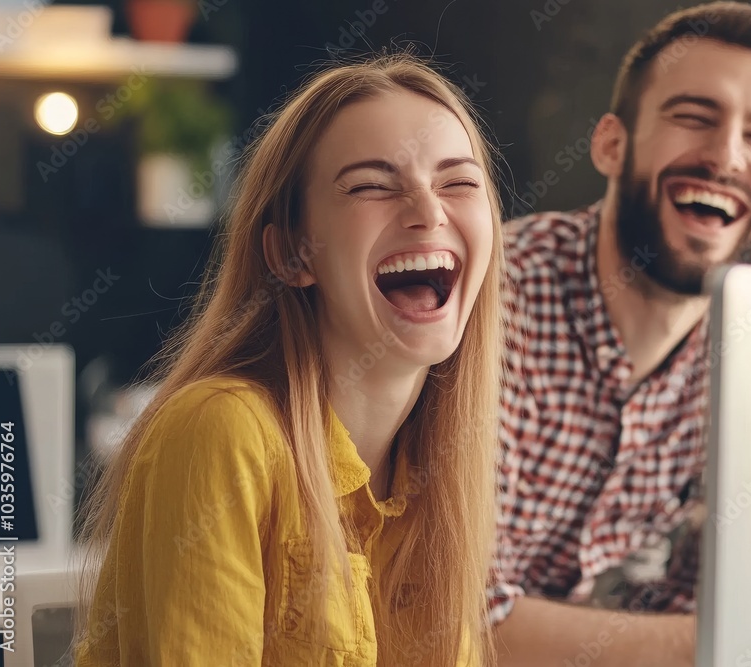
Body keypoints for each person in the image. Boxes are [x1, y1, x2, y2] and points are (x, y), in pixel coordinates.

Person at [73, 53, 505, 667]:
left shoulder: (440, 477)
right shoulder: (220, 430)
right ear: (292, 255)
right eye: (371, 186)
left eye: (458, 182)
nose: (429, 212)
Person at [491, 3, 751, 665]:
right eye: (694, 116)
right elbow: (438, 610)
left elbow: (726, 588)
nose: (725, 156)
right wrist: (715, 643)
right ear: (612, 144)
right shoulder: (493, 304)